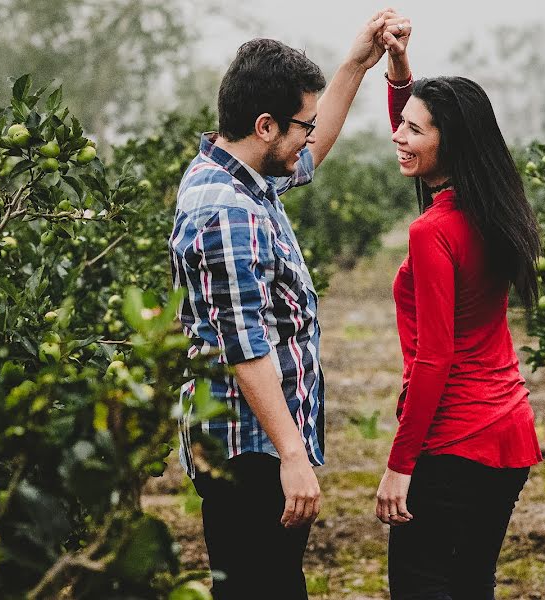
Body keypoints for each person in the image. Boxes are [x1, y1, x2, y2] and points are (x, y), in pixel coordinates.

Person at [169, 13, 391, 600]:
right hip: (250, 451)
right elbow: (244, 342)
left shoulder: (243, 176)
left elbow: (312, 151)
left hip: (259, 439)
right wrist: (292, 455)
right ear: (265, 125)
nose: (308, 139)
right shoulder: (229, 209)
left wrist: (357, 64)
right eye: (300, 126)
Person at [372, 12, 544, 600]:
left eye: (415, 130)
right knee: (471, 585)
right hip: (507, 433)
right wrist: (398, 69)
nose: (400, 135)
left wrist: (401, 463)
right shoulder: (492, 210)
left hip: (453, 442)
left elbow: (433, 359)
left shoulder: (432, 232)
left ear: (449, 143)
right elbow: (416, 126)